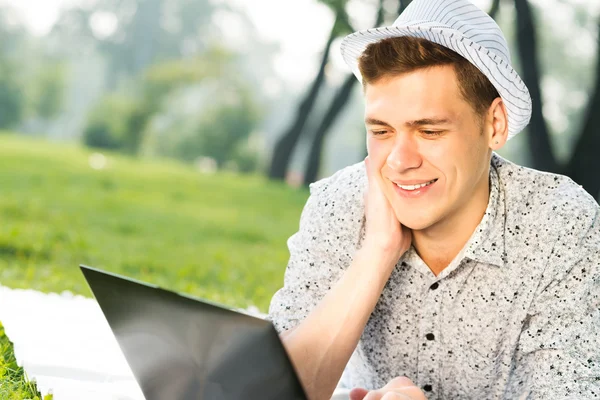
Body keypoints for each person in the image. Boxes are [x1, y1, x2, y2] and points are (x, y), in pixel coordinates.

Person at [268, 0, 600, 399]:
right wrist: (377, 251)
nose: (401, 162)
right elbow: (266, 390)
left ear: (494, 125)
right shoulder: (340, 203)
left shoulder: (561, 224)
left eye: (429, 131)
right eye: (382, 132)